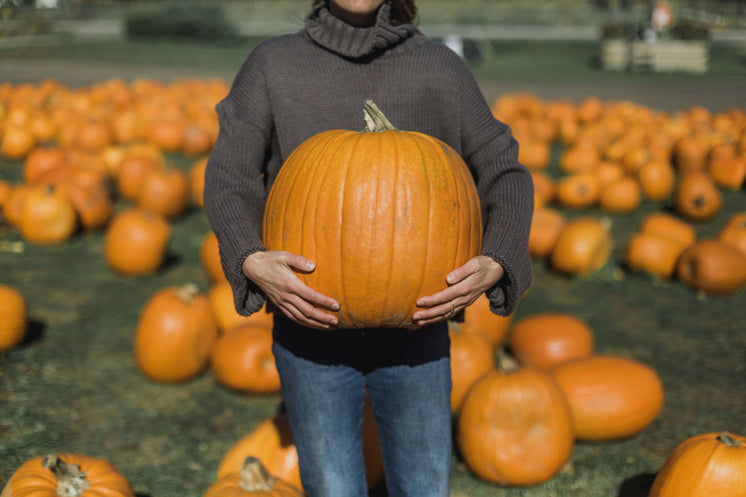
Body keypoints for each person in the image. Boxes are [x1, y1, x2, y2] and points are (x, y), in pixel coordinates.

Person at [203, 1, 534, 496]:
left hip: (418, 328)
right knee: (332, 485)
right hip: (308, 326)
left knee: (423, 484)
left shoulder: (438, 67)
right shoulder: (273, 65)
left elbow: (504, 171)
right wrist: (249, 255)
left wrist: (498, 257)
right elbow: (230, 177)